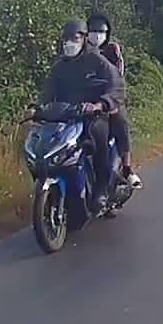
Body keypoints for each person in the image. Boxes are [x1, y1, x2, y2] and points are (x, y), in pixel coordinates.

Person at [37, 19, 126, 212]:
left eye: (75, 38)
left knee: (98, 136)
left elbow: (116, 84)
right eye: (66, 39)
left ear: (84, 39)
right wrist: (36, 107)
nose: (70, 43)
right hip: (67, 115)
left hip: (94, 115)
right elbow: (47, 91)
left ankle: (101, 189)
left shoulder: (97, 60)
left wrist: (100, 104)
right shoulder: (59, 67)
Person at [85, 13, 142, 189]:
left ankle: (127, 168)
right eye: (93, 31)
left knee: (120, 120)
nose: (97, 35)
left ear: (107, 34)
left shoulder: (112, 50)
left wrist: (109, 101)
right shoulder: (81, 51)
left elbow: (118, 77)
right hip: (86, 100)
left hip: (110, 98)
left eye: (101, 32)